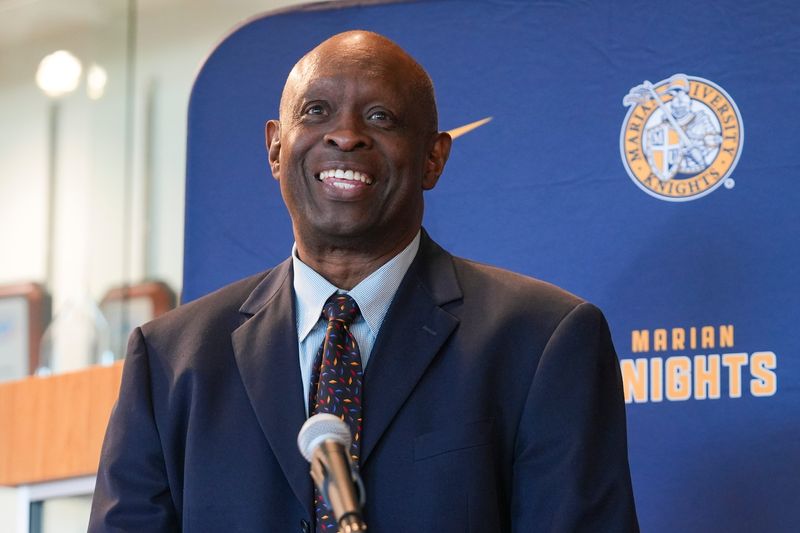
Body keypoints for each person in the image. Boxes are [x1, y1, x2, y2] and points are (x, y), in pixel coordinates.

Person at [89, 31, 639, 532]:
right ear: (276, 148)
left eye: (380, 117)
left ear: (433, 158)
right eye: (317, 111)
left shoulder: (543, 340)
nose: (346, 136)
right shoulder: (168, 360)